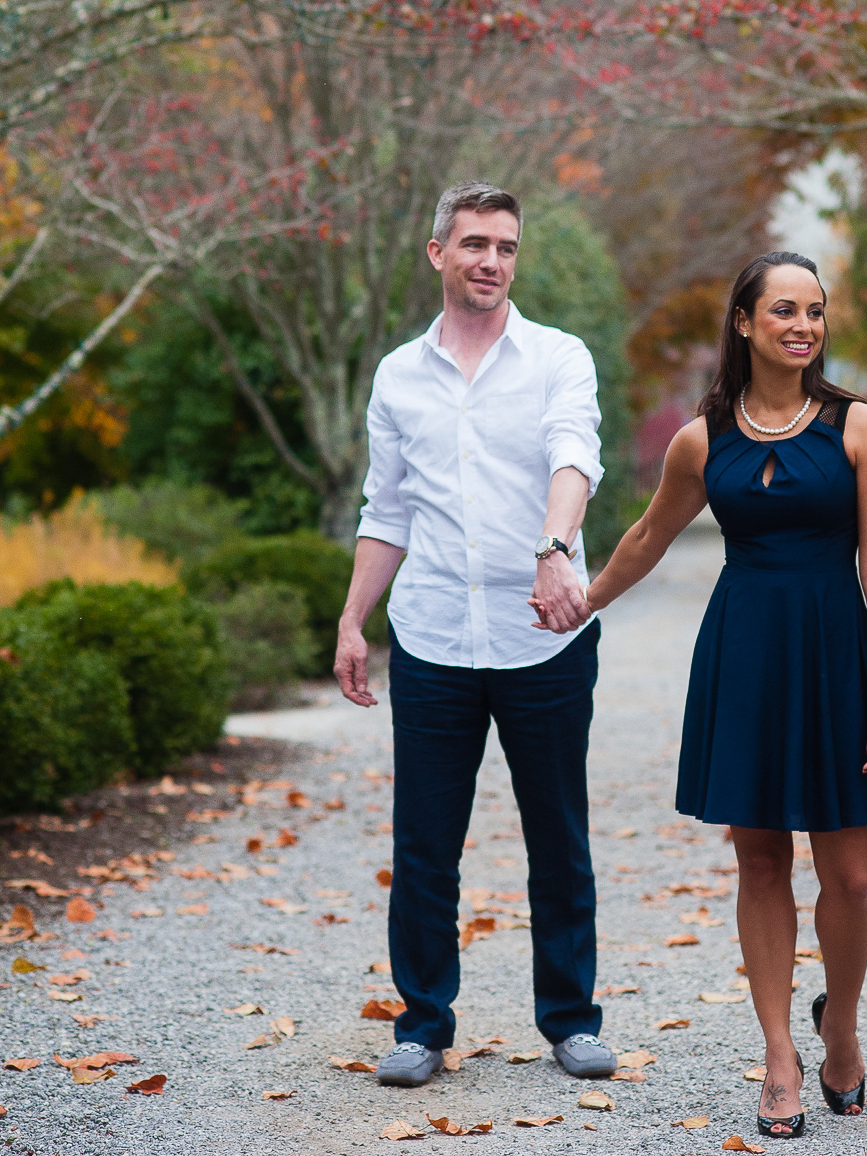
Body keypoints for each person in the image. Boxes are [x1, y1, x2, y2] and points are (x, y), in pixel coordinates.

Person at [579, 251, 867, 1139]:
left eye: (815, 311)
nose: (803, 326)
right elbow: (651, 535)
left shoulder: (859, 429)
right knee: (759, 858)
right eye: (784, 311)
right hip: (744, 657)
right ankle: (779, 1055)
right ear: (744, 322)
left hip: (836, 655)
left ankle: (838, 1024)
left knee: (848, 871)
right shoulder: (704, 438)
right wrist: (585, 600)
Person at [334, 180, 618, 1089]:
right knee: (423, 846)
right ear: (438, 254)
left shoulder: (559, 357)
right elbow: (390, 508)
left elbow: (577, 454)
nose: (491, 261)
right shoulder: (396, 376)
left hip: (545, 638)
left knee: (557, 836)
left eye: (505, 246)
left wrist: (554, 547)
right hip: (433, 640)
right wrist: (352, 618)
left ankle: (571, 1021)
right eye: (474, 245)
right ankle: (422, 1026)